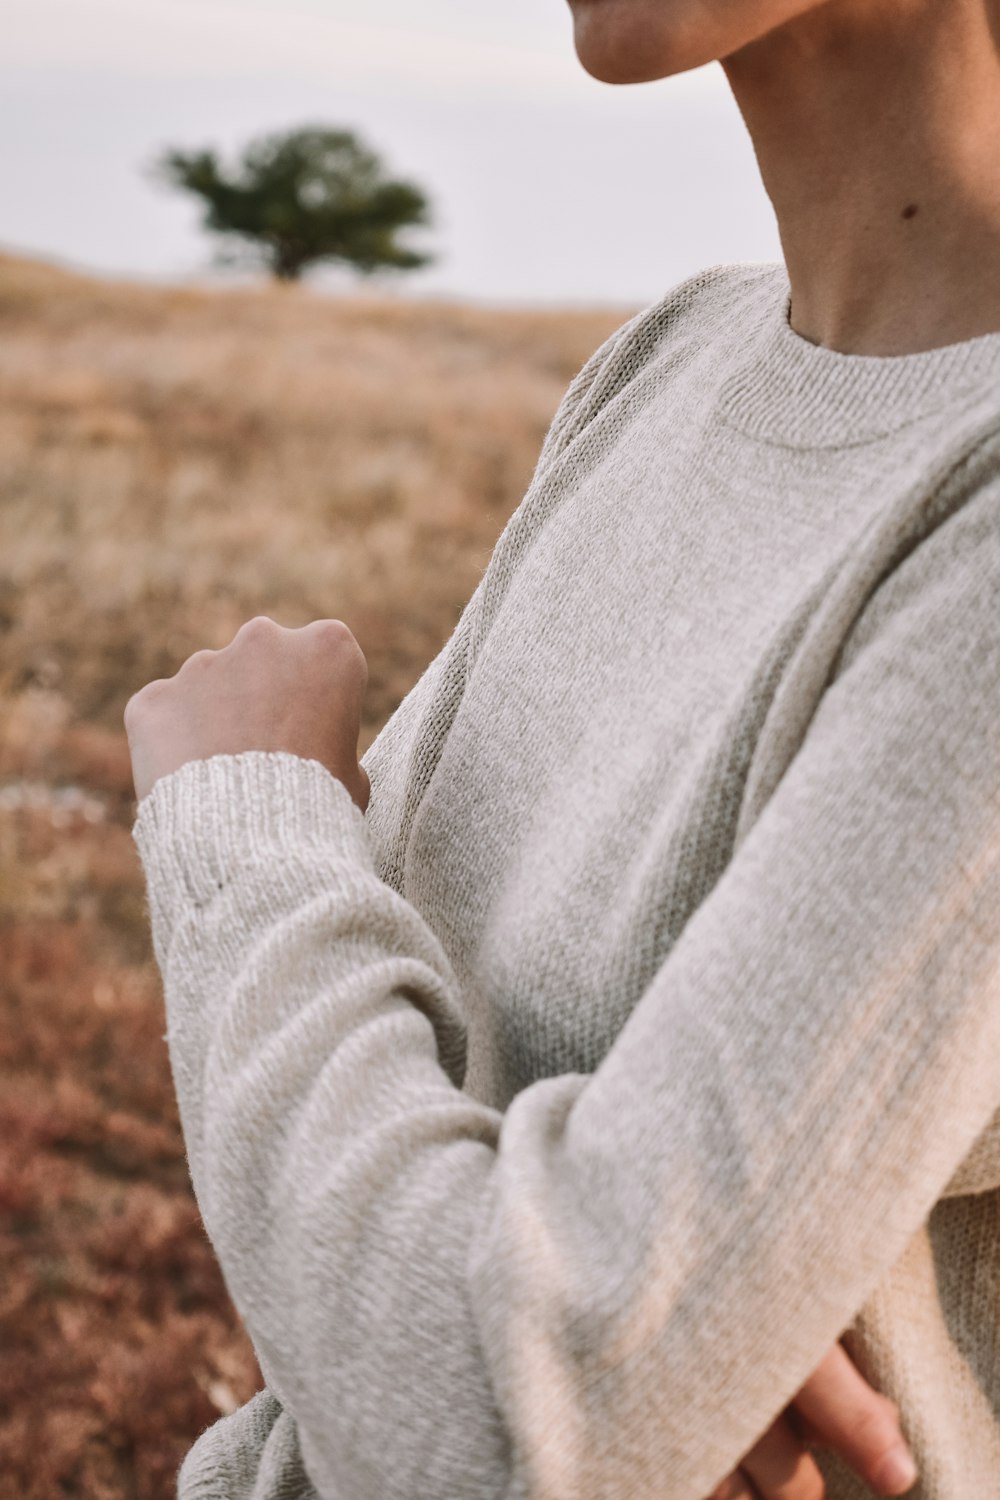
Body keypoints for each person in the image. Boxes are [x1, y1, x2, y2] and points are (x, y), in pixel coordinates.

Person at [125, 0, 1000, 1496]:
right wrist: (643, 1324)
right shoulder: (672, 359)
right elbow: (417, 1290)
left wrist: (243, 819)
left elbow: (487, 1429)